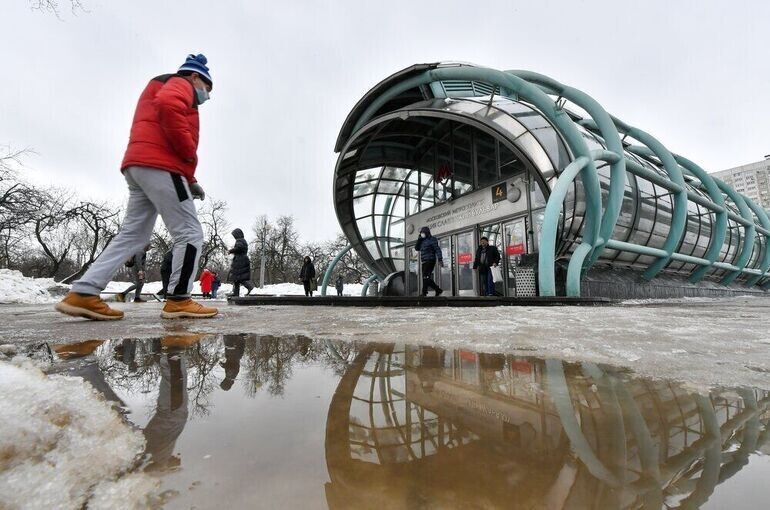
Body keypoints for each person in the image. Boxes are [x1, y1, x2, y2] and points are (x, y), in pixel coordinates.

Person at [55, 53, 218, 320]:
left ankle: (84, 293)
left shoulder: (160, 84)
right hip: (163, 166)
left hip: (139, 165)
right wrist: (189, 154)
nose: (206, 95)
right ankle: (179, 300)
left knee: (133, 235)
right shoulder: (181, 84)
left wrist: (191, 180)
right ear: (196, 76)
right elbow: (168, 107)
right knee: (189, 232)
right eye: (206, 88)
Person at [415, 226, 443, 296]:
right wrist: (419, 239)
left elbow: (437, 249)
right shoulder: (422, 240)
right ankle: (437, 290)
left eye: (423, 233)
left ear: (427, 233)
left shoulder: (432, 239)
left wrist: (440, 259)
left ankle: (424, 292)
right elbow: (417, 248)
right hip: (424, 261)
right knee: (426, 277)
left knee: (425, 276)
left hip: (430, 260)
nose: (422, 234)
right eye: (421, 233)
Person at [228, 228, 254, 297]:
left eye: (234, 235)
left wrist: (231, 251)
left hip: (240, 261)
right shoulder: (242, 240)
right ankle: (236, 293)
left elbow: (239, 248)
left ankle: (249, 287)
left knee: (238, 278)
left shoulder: (240, 240)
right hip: (240, 260)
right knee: (236, 279)